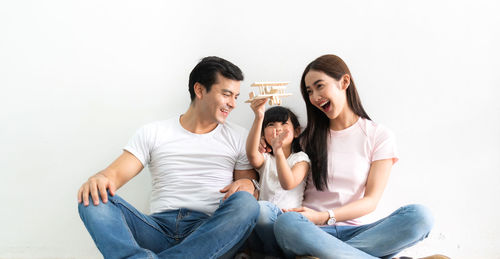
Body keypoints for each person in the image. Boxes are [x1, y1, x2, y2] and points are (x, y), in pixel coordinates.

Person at [77, 56, 260, 259]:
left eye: (236, 96)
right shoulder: (154, 132)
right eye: (227, 95)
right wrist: (100, 178)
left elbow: (246, 187)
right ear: (199, 90)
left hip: (209, 230)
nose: (233, 104)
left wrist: (248, 184)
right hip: (156, 230)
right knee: (92, 198)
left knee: (247, 203)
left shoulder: (240, 136)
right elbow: (114, 174)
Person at [260, 54, 435, 259]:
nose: (315, 97)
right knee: (286, 223)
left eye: (320, 86)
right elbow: (274, 158)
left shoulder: (379, 136)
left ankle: (327, 255)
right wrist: (262, 143)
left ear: (344, 82)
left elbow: (371, 200)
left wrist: (324, 217)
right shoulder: (307, 137)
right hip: (310, 231)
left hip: (358, 233)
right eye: (309, 91)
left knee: (420, 217)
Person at [245, 103, 311, 256]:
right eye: (271, 124)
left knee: (261, 209)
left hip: (287, 222)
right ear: (263, 134)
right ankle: (269, 252)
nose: (278, 128)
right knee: (258, 211)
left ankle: (273, 253)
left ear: (296, 132)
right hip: (261, 223)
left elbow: (288, 184)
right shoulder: (266, 159)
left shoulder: (300, 159)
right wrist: (259, 117)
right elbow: (251, 154)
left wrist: (279, 151)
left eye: (283, 123)